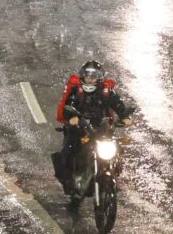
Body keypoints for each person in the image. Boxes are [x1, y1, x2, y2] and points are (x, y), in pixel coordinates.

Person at [54, 61, 135, 192]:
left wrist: (125, 117)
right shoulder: (76, 91)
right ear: (82, 76)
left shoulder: (106, 91)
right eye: (88, 75)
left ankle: (112, 172)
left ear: (100, 77)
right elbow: (69, 105)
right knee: (70, 150)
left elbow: (118, 104)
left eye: (94, 75)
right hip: (81, 130)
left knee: (116, 149)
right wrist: (72, 117)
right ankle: (70, 180)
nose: (91, 79)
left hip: (102, 129)